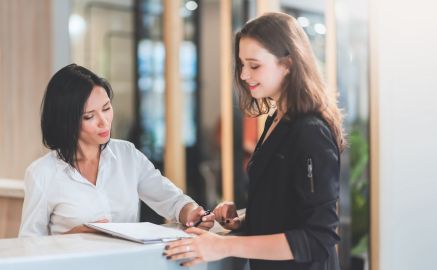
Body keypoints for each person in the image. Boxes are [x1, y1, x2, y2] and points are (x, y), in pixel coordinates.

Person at [164, 12, 346, 270]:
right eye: (241, 65)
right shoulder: (276, 121)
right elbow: (288, 211)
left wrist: (223, 246)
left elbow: (318, 238)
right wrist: (245, 219)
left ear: (288, 64)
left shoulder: (310, 131)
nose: (244, 75)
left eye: (254, 65)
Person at [19, 64, 214, 237]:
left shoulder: (127, 155)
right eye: (89, 116)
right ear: (67, 121)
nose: (104, 122)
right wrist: (70, 238)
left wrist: (190, 211)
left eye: (106, 108)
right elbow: (28, 248)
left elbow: (171, 199)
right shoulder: (42, 174)